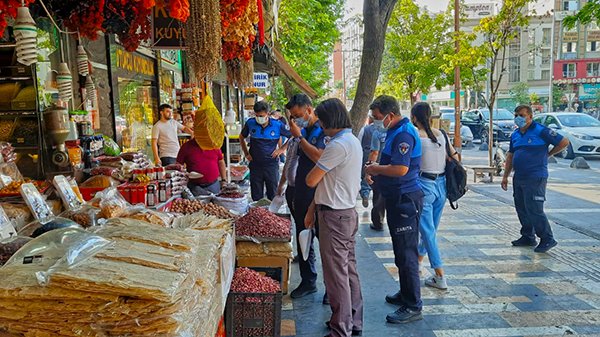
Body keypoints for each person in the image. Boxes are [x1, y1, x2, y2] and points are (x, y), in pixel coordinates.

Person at [305, 98, 363, 337]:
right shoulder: (351, 140)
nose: (319, 123)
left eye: (321, 119)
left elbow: (311, 179)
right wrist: (311, 209)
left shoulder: (338, 145)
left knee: (336, 274)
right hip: (344, 213)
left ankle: (341, 328)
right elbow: (327, 183)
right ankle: (353, 321)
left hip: (334, 217)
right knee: (348, 270)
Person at [365, 95, 424, 324]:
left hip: (405, 199)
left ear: (390, 115)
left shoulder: (404, 134)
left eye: (378, 118)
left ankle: (413, 305)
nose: (375, 121)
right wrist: (375, 169)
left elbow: (400, 169)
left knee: (407, 252)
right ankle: (405, 291)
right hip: (395, 198)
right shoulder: (393, 131)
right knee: (400, 250)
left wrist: (376, 169)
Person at [502, 104, 570, 253]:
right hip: (519, 176)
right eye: (516, 115)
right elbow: (511, 156)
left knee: (534, 209)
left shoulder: (540, 130)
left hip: (535, 176)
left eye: (521, 115)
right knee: (522, 207)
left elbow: (564, 142)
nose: (518, 118)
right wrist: (505, 176)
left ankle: (547, 238)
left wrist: (549, 154)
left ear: (530, 116)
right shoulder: (516, 134)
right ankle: (527, 236)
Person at [411, 102, 459, 290]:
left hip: (425, 186)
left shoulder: (415, 135)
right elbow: (455, 158)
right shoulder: (441, 134)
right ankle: (419, 262)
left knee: (428, 233)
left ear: (414, 118)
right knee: (430, 231)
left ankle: (440, 276)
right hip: (442, 187)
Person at [287, 93, 326, 299]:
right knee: (303, 238)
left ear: (309, 110)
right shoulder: (305, 130)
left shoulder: (322, 130)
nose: (296, 120)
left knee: (326, 242)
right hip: (302, 192)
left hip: (320, 194)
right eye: (292, 117)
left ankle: (331, 287)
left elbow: (318, 156)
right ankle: (308, 280)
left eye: (298, 115)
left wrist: (299, 138)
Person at [240, 101, 291, 201]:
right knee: (256, 196)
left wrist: (281, 149)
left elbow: (293, 136)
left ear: (268, 114)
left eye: (261, 115)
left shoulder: (277, 125)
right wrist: (246, 153)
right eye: (257, 115)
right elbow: (241, 137)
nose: (259, 118)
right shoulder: (250, 123)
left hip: (271, 165)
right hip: (255, 165)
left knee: (272, 194)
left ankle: (272, 215)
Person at [365, 123, 387, 231]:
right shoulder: (399, 131)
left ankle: (378, 222)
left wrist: (369, 171)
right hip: (395, 169)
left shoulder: (378, 132)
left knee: (378, 197)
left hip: (379, 169)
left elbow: (374, 153)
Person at [358, 119, 376, 207]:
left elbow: (359, 144)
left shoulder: (365, 130)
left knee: (366, 179)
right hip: (380, 160)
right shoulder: (385, 130)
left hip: (366, 156)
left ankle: (365, 194)